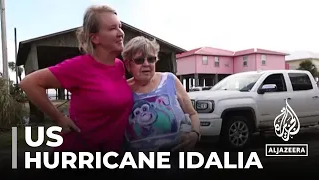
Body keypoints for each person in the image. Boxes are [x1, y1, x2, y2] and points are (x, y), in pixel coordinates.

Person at [20, 5, 133, 153]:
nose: (121, 33)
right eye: (112, 28)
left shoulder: (119, 66)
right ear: (95, 38)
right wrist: (59, 118)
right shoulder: (79, 66)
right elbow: (28, 83)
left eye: (120, 27)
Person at [122, 36, 201, 154]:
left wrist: (195, 134)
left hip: (175, 161)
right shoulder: (122, 89)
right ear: (128, 65)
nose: (146, 64)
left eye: (151, 59)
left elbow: (192, 114)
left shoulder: (170, 80)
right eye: (139, 60)